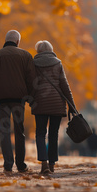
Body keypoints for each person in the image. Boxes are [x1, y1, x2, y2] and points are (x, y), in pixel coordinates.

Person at [0, 30, 35, 174]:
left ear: (5, 40)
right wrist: (31, 98)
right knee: (19, 131)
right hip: (19, 100)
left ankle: (8, 164)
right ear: (18, 41)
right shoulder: (26, 56)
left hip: (1, 100)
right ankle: (21, 164)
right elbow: (31, 79)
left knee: (4, 131)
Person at [31, 40, 76, 174]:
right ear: (51, 49)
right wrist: (71, 105)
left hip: (40, 103)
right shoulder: (58, 63)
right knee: (53, 135)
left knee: (40, 134)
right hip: (57, 103)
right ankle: (52, 165)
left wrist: (30, 98)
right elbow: (64, 85)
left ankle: (43, 163)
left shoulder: (33, 64)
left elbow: (31, 84)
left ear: (38, 51)